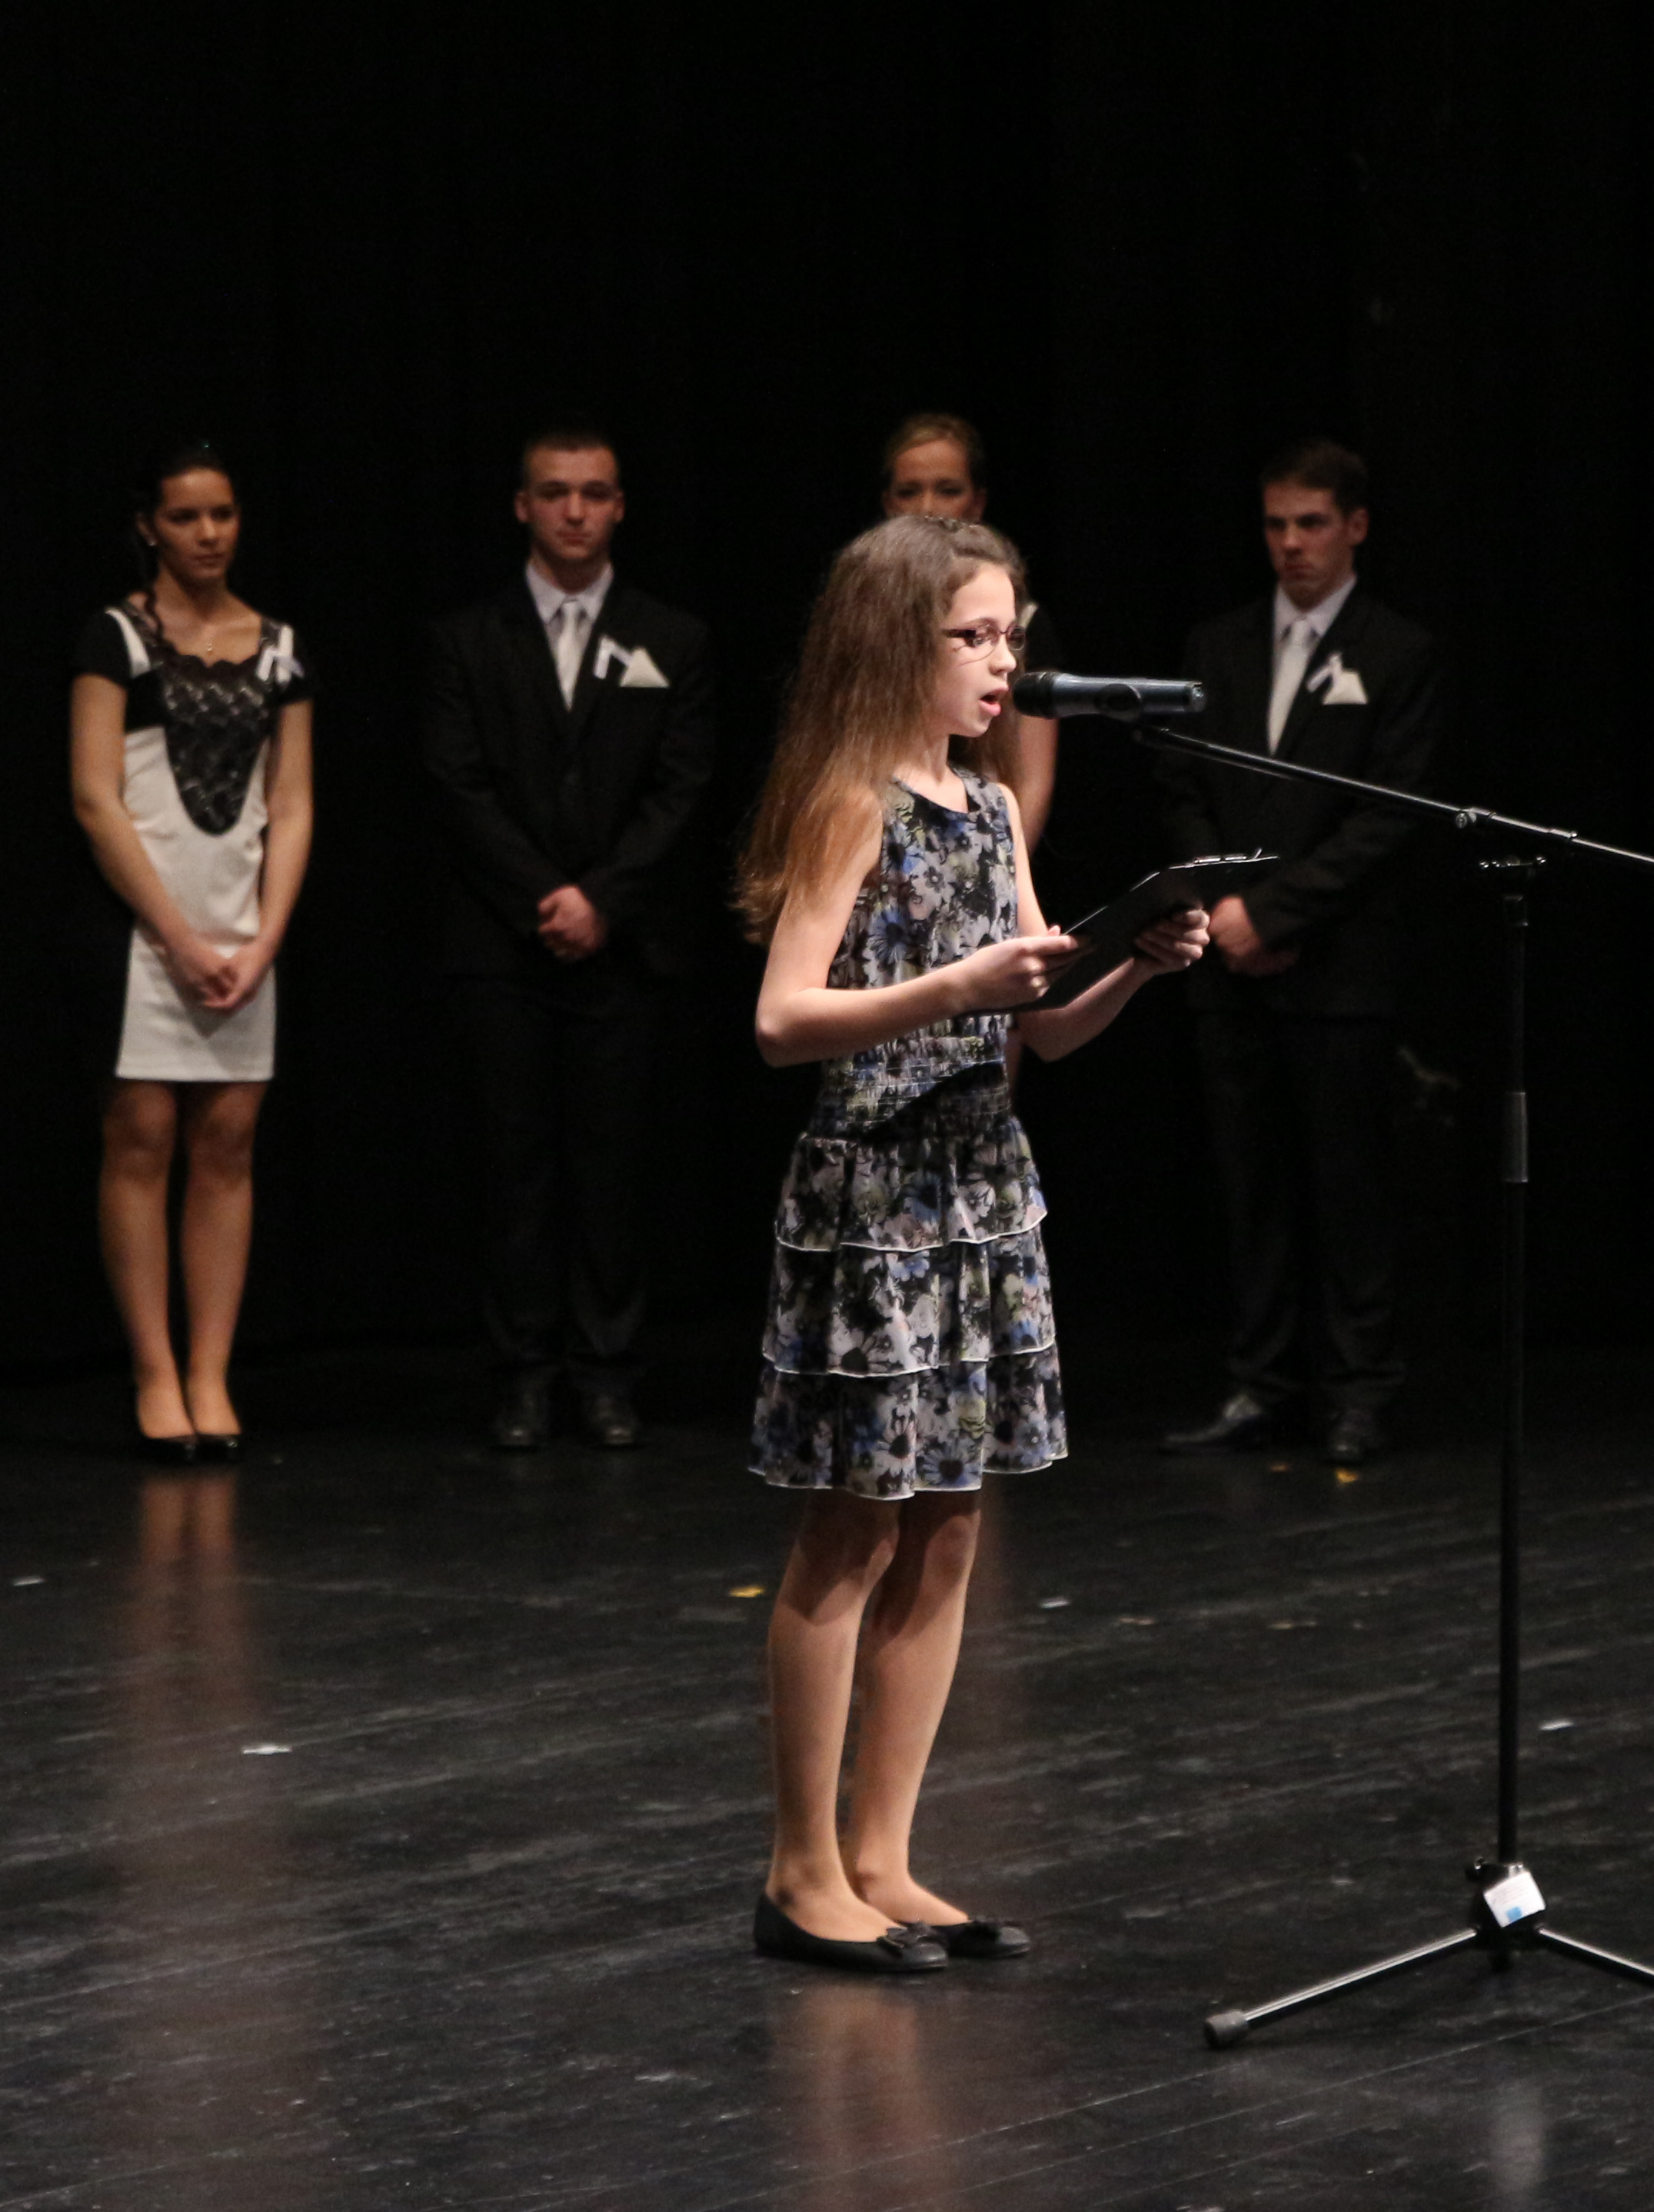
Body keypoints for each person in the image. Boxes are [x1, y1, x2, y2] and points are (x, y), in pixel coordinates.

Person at [737, 514, 1207, 1973]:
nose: (1004, 664)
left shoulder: (993, 809)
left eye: (1013, 635)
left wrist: (1130, 964)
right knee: (853, 1526)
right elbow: (782, 1020)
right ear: (900, 644)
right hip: (876, 1195)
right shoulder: (851, 802)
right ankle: (801, 1870)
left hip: (980, 1189)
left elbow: (1038, 1028)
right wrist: (953, 987)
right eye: (974, 637)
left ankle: (883, 1853)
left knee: (949, 1525)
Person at [419, 425, 714, 1451]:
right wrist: (545, 895)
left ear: (620, 506)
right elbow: (457, 785)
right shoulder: (467, 637)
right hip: (502, 946)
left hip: (624, 947)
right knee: (513, 1168)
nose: (575, 511)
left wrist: (604, 899)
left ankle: (605, 1373)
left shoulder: (671, 637)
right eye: (555, 493)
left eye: (594, 492)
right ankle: (523, 1374)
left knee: (612, 1167)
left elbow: (682, 786)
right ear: (522, 506)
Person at [1156, 438, 1441, 1464]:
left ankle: (1358, 1388)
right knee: (1252, 1188)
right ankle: (1260, 1385)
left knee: (1350, 1189)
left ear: (1354, 526)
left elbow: (1387, 816)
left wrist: (1275, 916)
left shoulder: (1397, 650)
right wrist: (1225, 908)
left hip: (1338, 967)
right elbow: (1182, 785)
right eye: (1276, 524)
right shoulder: (1218, 644)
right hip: (1229, 965)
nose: (1291, 544)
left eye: (1311, 523)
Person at [69, 444, 314, 1464]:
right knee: (141, 1136)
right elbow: (95, 796)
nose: (209, 534)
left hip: (241, 932)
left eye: (223, 514)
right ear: (149, 526)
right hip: (146, 927)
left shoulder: (279, 645)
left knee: (227, 1145)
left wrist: (263, 938)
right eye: (186, 517)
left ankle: (211, 1369)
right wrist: (175, 934)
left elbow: (292, 803)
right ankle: (154, 1370)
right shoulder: (118, 637)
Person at [877, 413, 1065, 842]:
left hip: (983, 838)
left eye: (948, 490)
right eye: (909, 491)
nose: (927, 507)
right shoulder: (864, 617)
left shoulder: (1024, 621)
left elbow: (1032, 779)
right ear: (888, 503)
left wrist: (999, 863)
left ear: (977, 503)